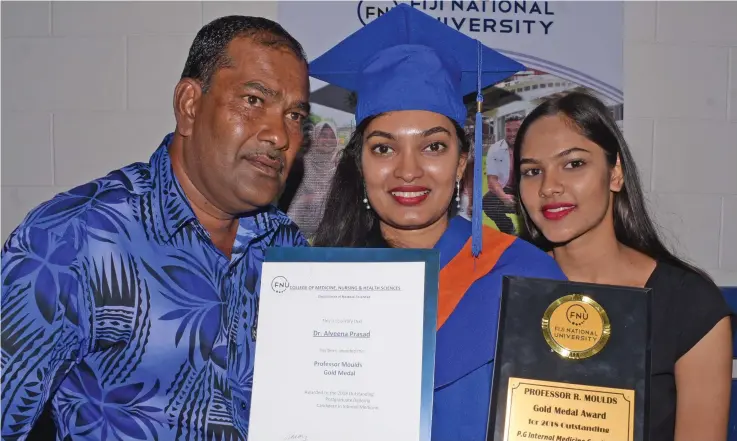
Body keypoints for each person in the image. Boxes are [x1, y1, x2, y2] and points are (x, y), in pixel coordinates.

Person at [1, 15, 310, 441]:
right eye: (254, 100)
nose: (279, 134)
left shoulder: (286, 248)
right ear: (189, 104)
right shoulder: (73, 238)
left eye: (295, 115)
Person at [308, 5, 567, 440]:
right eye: (384, 149)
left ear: (463, 159)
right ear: (360, 163)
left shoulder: (527, 278)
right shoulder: (321, 286)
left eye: (433, 147)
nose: (408, 171)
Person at [513, 91, 733, 441]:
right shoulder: (505, 291)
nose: (549, 187)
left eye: (574, 164)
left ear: (615, 173)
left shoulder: (689, 306)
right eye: (533, 171)